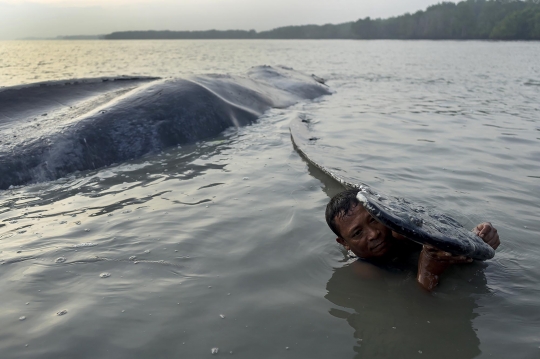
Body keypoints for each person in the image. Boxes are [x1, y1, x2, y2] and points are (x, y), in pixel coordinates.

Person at [325, 188, 500, 291]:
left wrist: (478, 237)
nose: (373, 234)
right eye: (357, 233)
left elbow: (452, 238)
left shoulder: (404, 233)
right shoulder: (364, 269)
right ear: (345, 243)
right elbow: (412, 309)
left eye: (373, 219)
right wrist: (428, 271)